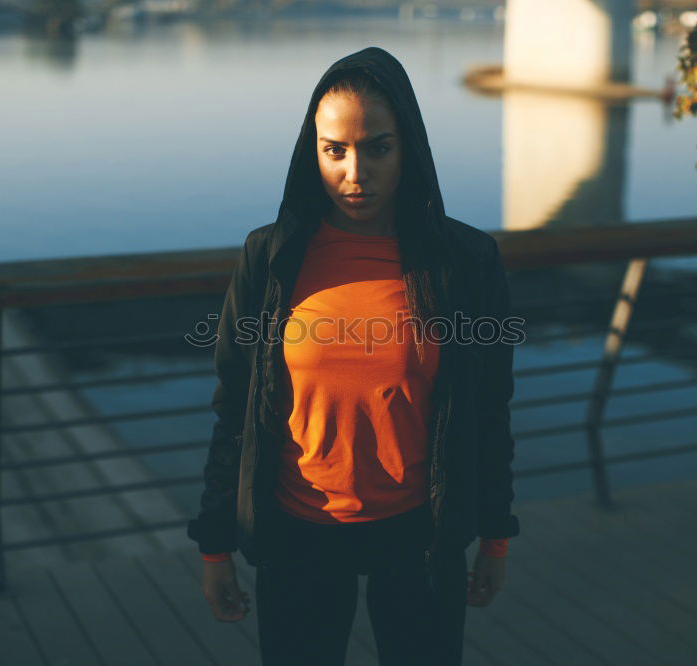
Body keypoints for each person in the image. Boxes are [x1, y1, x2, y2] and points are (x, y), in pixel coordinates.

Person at [186, 46, 522, 666]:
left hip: (421, 535)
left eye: (378, 148)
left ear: (409, 148)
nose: (355, 173)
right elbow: (234, 409)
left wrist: (495, 536)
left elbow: (489, 410)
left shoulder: (465, 264)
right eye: (334, 150)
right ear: (311, 150)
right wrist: (215, 546)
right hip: (298, 532)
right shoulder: (270, 259)